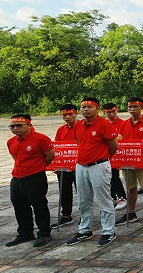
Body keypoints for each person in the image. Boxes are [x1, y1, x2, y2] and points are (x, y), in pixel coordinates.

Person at [66, 98, 119, 247]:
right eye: (83, 107)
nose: (86, 109)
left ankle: (109, 231)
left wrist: (101, 157)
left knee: (104, 199)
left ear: (97, 109)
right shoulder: (78, 125)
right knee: (83, 199)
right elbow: (79, 144)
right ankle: (85, 229)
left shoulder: (104, 124)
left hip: (99, 165)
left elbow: (113, 146)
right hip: (81, 166)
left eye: (90, 107)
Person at [6, 114, 55, 247]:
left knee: (39, 205)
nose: (15, 128)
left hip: (35, 177)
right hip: (17, 177)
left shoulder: (41, 139)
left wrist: (38, 167)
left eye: (19, 126)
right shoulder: (11, 141)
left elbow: (50, 155)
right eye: (12, 126)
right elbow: (15, 157)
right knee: (19, 205)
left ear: (29, 125)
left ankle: (44, 233)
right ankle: (25, 233)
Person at [116, 97, 143, 226]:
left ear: (141, 108)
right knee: (130, 188)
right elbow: (120, 141)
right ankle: (131, 212)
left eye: (135, 107)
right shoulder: (124, 123)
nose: (132, 109)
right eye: (130, 107)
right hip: (128, 162)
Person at [52, 103, 79, 227]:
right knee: (64, 191)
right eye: (64, 115)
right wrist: (56, 165)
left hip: (80, 166)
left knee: (82, 192)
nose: (67, 117)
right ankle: (66, 215)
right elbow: (57, 148)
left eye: (70, 114)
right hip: (65, 166)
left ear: (76, 113)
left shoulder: (82, 127)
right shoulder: (61, 130)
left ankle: (84, 215)